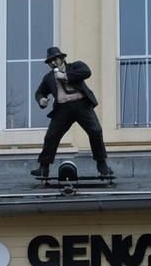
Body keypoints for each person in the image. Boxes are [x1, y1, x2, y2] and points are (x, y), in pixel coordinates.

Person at [33, 45, 113, 179]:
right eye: (50, 61)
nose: (53, 63)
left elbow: (86, 72)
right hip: (63, 109)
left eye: (55, 59)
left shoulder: (75, 67)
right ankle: (43, 167)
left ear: (62, 59)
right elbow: (39, 92)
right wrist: (41, 99)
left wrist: (65, 76)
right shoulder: (48, 78)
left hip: (81, 105)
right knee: (51, 136)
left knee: (95, 131)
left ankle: (102, 165)